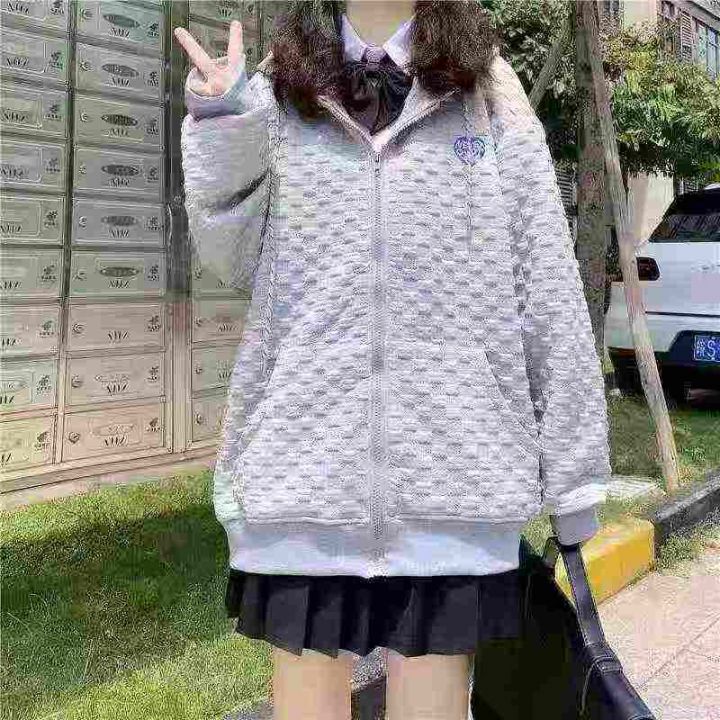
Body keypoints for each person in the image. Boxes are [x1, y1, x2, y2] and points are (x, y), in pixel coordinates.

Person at [174, 2, 612, 718]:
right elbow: (230, 256)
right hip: (305, 475)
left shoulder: (488, 92)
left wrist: (574, 474)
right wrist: (225, 120)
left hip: (455, 479)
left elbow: (547, 284)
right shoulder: (282, 86)